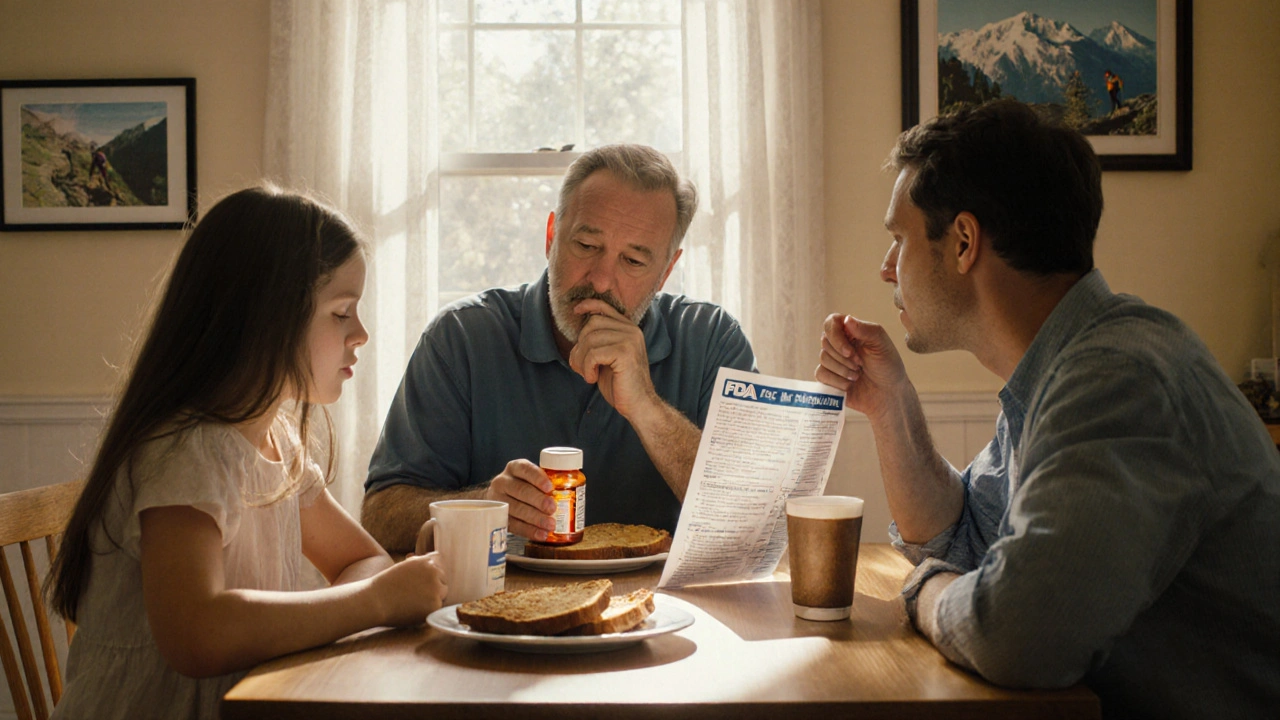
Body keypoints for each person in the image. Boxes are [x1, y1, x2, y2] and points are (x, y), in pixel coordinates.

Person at [816, 99, 1280, 719]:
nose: (885, 269)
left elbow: (1018, 638)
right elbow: (966, 536)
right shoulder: (1067, 363)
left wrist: (925, 594)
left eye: (898, 239)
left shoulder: (1119, 381)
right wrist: (890, 406)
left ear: (962, 242)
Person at [47, 187, 447, 720]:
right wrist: (372, 603)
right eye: (341, 312)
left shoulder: (276, 442)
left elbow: (362, 558)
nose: (362, 333)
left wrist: (372, 595)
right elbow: (196, 633)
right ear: (267, 316)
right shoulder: (186, 451)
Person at [362, 144, 756, 552]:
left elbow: (753, 524)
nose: (602, 280)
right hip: (496, 602)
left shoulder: (713, 340)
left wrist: (647, 408)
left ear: (665, 271)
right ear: (551, 236)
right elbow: (378, 518)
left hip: (671, 611)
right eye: (586, 246)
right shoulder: (460, 337)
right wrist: (483, 507)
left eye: (634, 262)